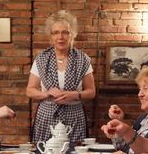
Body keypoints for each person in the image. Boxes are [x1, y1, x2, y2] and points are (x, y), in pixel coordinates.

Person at [26, 10, 96, 144]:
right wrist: (47, 94)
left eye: (65, 32)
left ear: (72, 35)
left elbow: (91, 92)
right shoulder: (41, 59)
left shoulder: (82, 59)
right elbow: (30, 90)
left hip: (74, 117)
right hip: (46, 117)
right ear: (50, 36)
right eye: (56, 32)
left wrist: (74, 95)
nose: (61, 37)